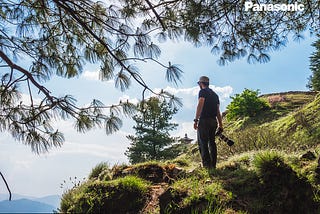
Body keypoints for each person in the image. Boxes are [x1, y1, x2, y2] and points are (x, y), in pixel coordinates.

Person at [193, 76, 223, 169]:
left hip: (204, 120)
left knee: (203, 143)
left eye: (199, 84)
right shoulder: (215, 95)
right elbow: (218, 111)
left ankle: (206, 165)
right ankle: (213, 165)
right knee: (212, 143)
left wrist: (196, 119)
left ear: (201, 84)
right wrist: (220, 125)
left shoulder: (202, 92)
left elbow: (200, 104)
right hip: (213, 121)